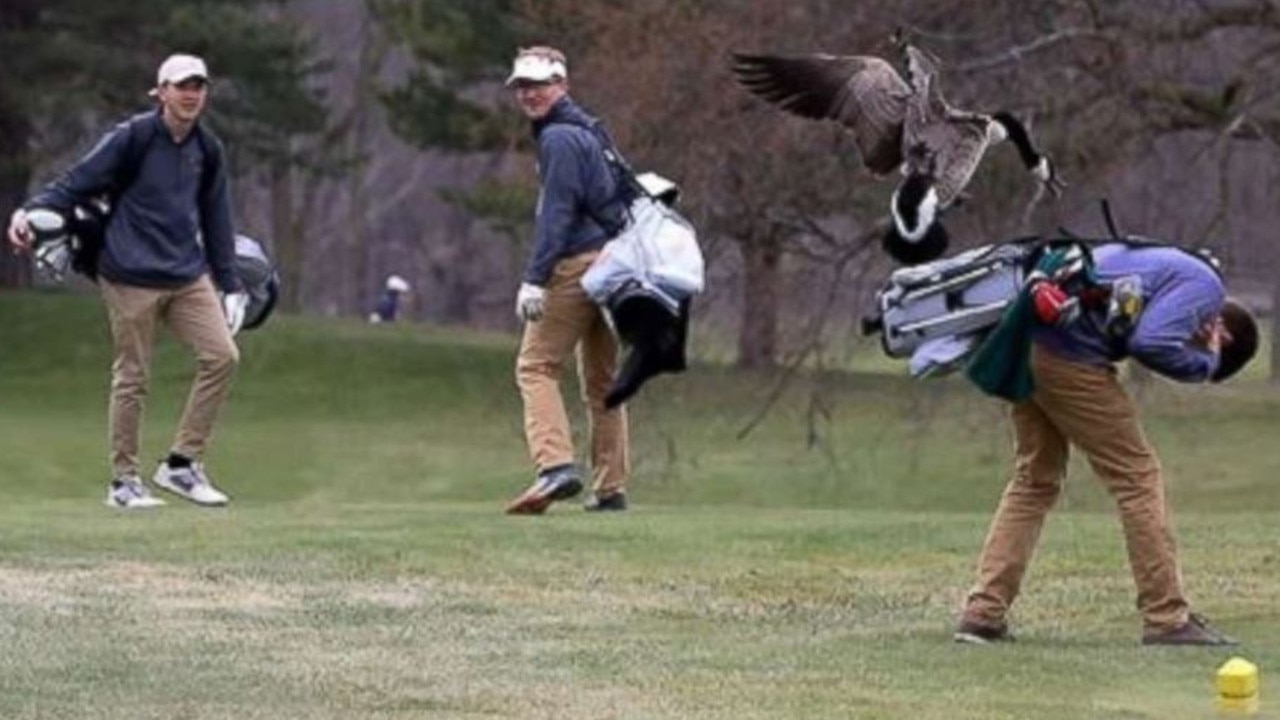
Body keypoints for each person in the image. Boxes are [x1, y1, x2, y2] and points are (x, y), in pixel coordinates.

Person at [954, 242, 1259, 645]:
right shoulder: (1207, 287)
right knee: (1138, 477)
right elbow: (1151, 342)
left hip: (1025, 343)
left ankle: (983, 613)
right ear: (1221, 331)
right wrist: (1207, 362)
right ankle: (1166, 618)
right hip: (1070, 358)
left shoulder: (1161, 259)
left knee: (1034, 481)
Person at [6, 53, 245, 509]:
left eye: (199, 86)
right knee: (133, 376)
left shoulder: (208, 150)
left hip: (186, 274)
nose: (192, 94)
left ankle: (181, 465)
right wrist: (26, 211)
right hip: (129, 273)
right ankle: (123, 482)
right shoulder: (133, 138)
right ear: (162, 92)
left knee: (222, 356)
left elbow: (217, 218)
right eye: (182, 86)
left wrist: (230, 283)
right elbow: (75, 182)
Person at [502, 46, 634, 515]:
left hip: (576, 265)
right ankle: (611, 488)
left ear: (561, 84)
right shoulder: (590, 131)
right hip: (612, 263)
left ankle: (555, 465)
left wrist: (535, 279)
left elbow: (556, 216)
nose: (529, 95)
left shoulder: (558, 138)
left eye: (538, 85)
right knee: (604, 383)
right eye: (522, 86)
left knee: (535, 367)